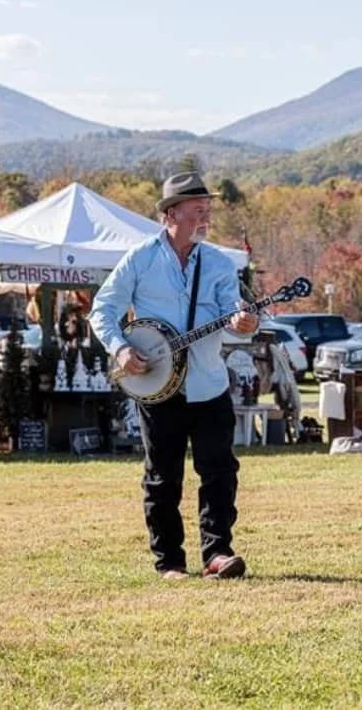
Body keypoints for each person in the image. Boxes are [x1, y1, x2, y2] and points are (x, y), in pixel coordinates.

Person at [90, 171, 259, 581]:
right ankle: (170, 562)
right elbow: (103, 309)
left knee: (219, 471)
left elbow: (234, 310)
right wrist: (122, 348)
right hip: (156, 385)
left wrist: (244, 322)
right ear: (170, 214)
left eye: (208, 209)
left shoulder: (219, 261)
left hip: (208, 382)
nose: (206, 216)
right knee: (162, 476)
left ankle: (217, 553)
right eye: (197, 210)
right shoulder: (140, 259)